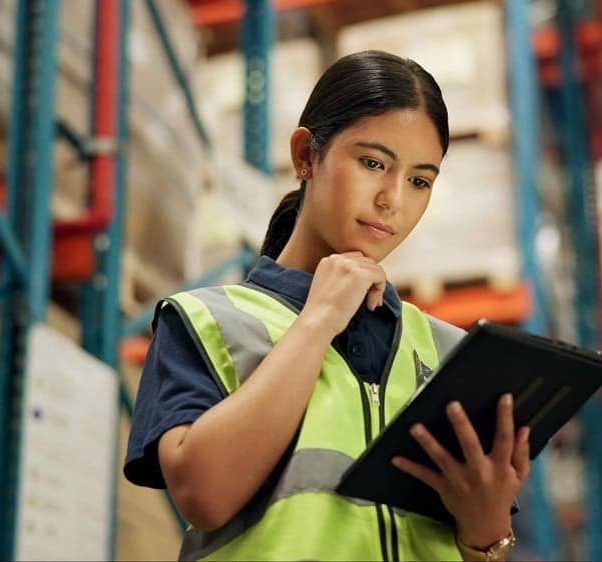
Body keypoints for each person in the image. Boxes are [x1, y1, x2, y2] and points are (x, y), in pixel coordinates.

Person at [124, 50, 530, 561]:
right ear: (306, 156)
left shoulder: (450, 353)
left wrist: (486, 533)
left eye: (419, 181)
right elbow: (204, 495)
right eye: (373, 163)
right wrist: (319, 319)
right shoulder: (209, 324)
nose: (392, 199)